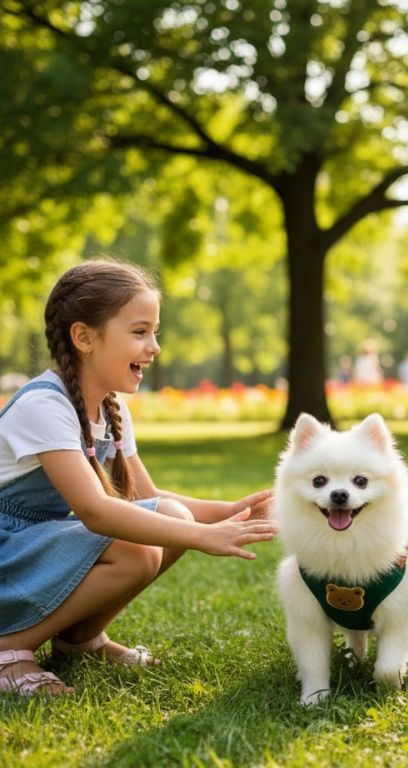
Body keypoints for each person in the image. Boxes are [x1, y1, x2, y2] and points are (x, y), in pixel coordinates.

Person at [0, 259, 276, 697]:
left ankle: (80, 641)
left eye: (155, 332)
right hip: (8, 550)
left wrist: (235, 513)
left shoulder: (111, 409)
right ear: (84, 337)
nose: (155, 347)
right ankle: (10, 649)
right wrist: (203, 537)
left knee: (169, 517)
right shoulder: (43, 405)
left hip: (35, 547)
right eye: (140, 331)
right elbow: (95, 510)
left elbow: (146, 497)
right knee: (137, 547)